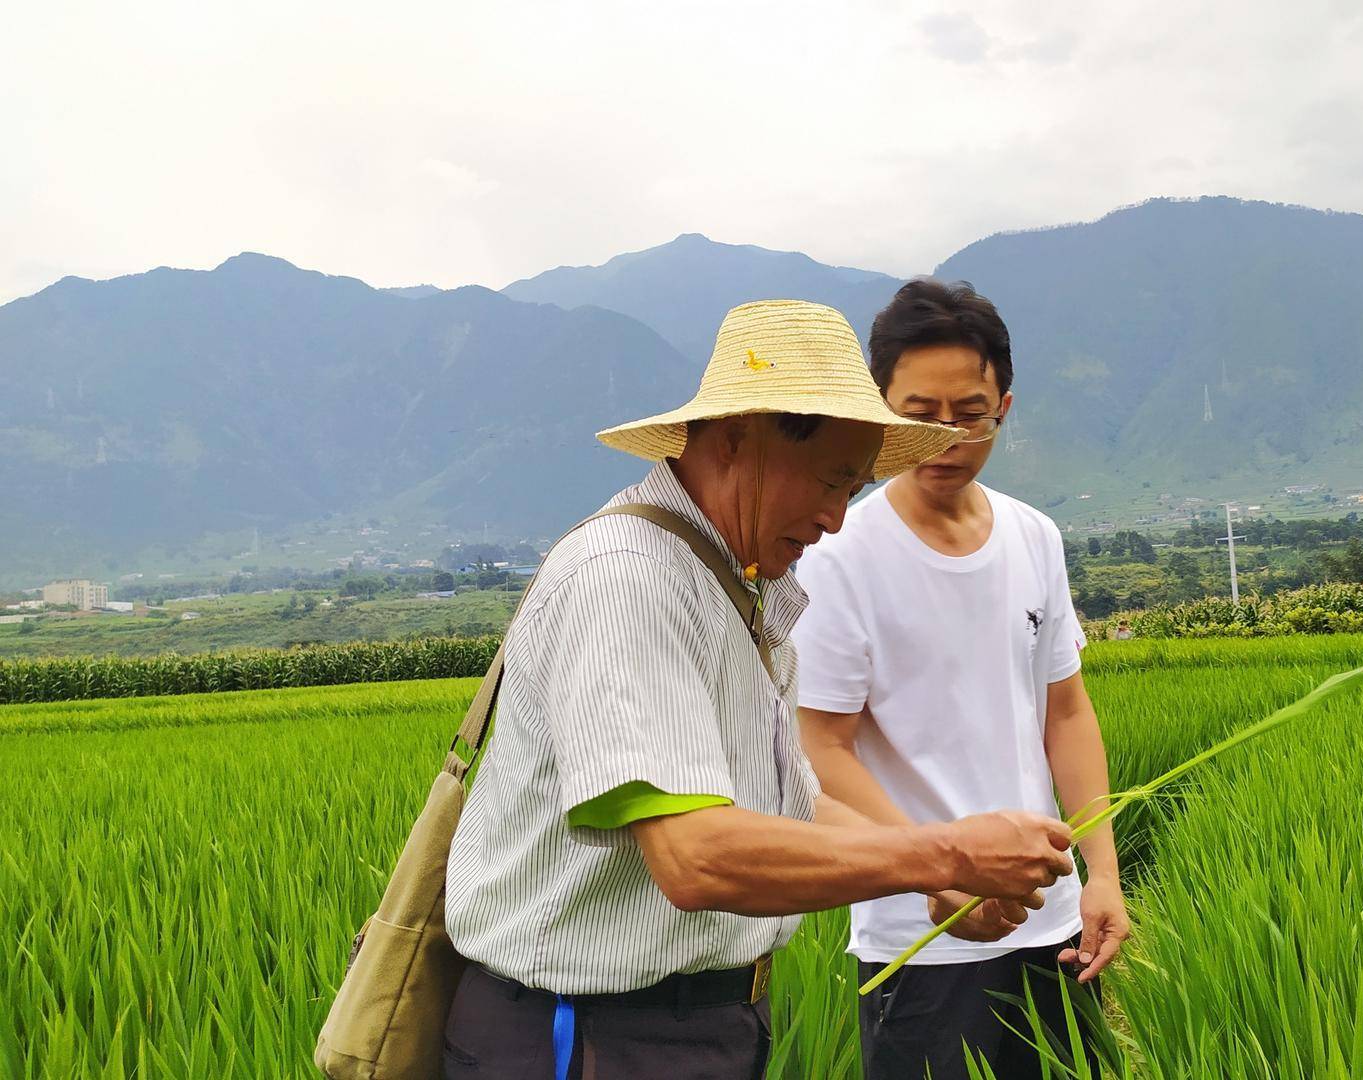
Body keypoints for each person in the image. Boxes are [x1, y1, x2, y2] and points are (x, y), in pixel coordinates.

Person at [440, 300, 1078, 1079]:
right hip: (588, 1036)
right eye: (831, 481)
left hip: (692, 1025)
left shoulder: (732, 584)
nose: (838, 519)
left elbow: (791, 796)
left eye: (855, 486)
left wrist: (941, 873)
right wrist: (941, 852)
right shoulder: (632, 580)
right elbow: (696, 858)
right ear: (739, 438)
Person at [793, 280, 1128, 1080]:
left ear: (1003, 407)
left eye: (968, 413)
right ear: (879, 410)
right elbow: (822, 751)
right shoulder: (840, 556)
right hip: (923, 935)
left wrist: (1104, 874)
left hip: (1052, 925)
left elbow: (1067, 714)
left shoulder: (1033, 537)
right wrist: (937, 869)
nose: (945, 436)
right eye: (917, 415)